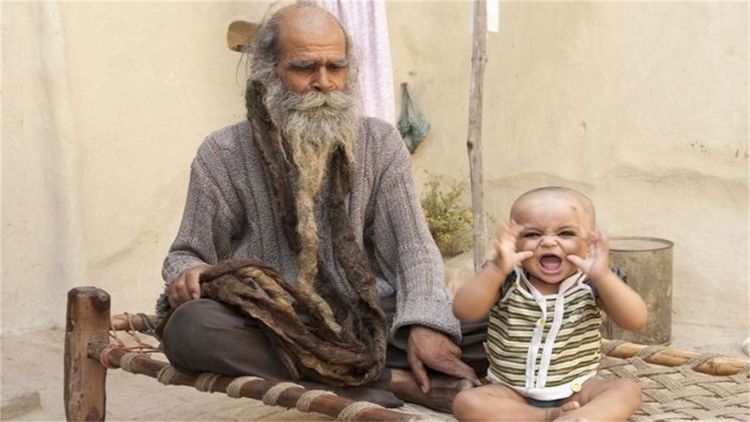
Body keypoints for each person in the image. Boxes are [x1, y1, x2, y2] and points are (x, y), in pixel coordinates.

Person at [156, 2, 486, 412]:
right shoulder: (222, 153)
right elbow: (185, 254)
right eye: (304, 67)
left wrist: (424, 322)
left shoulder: (380, 142)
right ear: (267, 70)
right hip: (278, 323)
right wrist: (189, 274)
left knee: (498, 317)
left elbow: (413, 249)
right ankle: (395, 383)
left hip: (368, 316)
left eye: (336, 67)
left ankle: (360, 373)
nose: (324, 82)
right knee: (192, 329)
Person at [452, 186, 647, 421]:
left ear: (589, 242)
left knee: (627, 391)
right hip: (511, 391)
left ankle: (581, 417)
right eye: (532, 235)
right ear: (514, 243)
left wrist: (603, 276)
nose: (548, 242)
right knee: (467, 403)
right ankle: (546, 416)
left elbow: (635, 321)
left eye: (566, 234)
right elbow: (463, 310)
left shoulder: (593, 281)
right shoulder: (506, 278)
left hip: (577, 389)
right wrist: (496, 268)